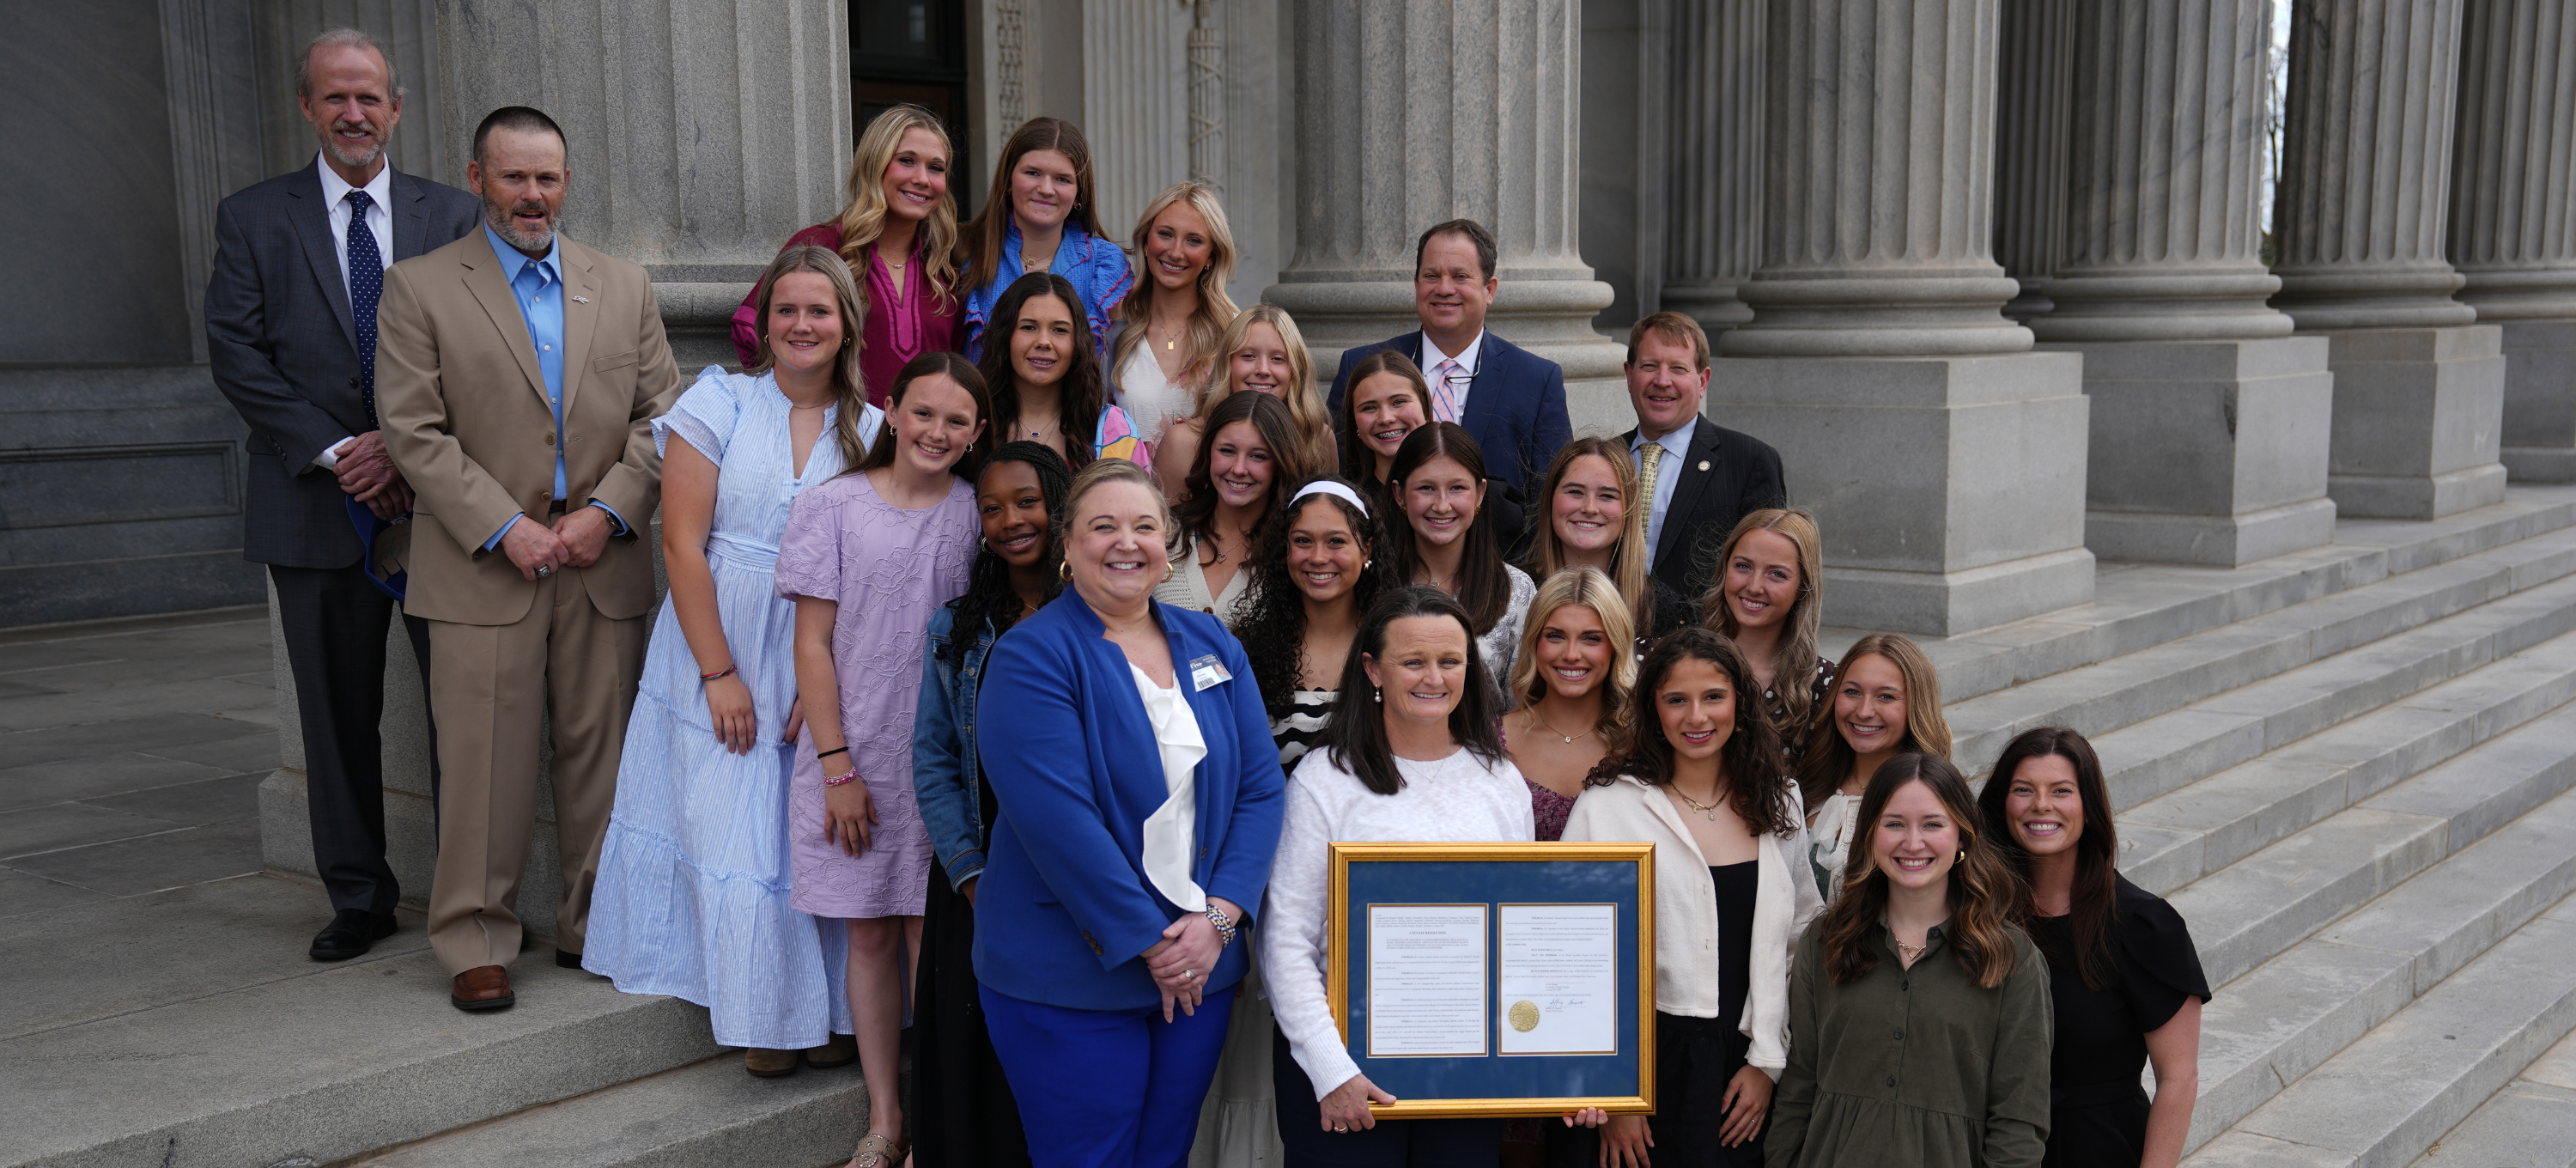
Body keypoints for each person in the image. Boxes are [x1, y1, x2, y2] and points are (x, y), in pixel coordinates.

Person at [376, 105, 684, 1010]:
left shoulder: (623, 286)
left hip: (602, 558)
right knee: (482, 763)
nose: (533, 195)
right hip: (482, 564)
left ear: (568, 181)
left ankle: (595, 921)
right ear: (478, 179)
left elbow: (664, 419)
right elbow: (413, 431)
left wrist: (607, 513)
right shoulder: (421, 287)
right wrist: (505, 525)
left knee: (603, 757)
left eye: (547, 177)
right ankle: (474, 936)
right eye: (514, 177)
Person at [204, 27, 481, 962]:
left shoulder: (450, 213)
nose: (354, 113)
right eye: (335, 97)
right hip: (314, 503)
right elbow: (237, 354)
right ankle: (360, 895)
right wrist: (338, 450)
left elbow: (483, 348)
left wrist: (406, 450)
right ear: (307, 108)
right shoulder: (252, 216)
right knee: (334, 711)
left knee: (463, 706)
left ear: (397, 108)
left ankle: (465, 891)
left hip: (440, 504)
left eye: (370, 97)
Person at [583, 246, 886, 1075]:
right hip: (717, 632)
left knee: (803, 840)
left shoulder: (871, 429)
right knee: (737, 829)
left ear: (846, 324)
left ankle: (823, 1012)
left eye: (819, 311)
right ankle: (760, 1018)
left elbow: (870, 561)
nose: (801, 325)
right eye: (786, 309)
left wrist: (828, 691)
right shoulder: (718, 398)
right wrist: (719, 674)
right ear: (765, 320)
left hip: (814, 647)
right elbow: (680, 543)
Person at [970, 459, 1286, 1168]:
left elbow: (1262, 792)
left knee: (1164, 1155)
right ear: (1067, 545)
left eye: (1145, 526)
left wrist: (1217, 924)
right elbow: (1060, 823)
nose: (1126, 542)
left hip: (1202, 967)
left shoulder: (1212, 643)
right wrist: (1156, 944)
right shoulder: (1031, 657)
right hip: (1069, 973)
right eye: (1102, 526)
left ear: (1167, 542)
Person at [776, 351, 989, 1168]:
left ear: (975, 435)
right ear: (890, 412)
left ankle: (934, 1125)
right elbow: (814, 644)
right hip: (853, 748)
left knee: (930, 939)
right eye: (924, 413)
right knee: (868, 935)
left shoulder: (976, 515)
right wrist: (837, 767)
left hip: (943, 759)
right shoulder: (830, 507)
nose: (937, 431)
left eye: (957, 420)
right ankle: (885, 1116)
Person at [1261, 586, 1535, 1167]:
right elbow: (1286, 941)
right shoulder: (1324, 779)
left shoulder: (1500, 781)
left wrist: (1564, 1065)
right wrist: (1331, 1069)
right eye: (1413, 661)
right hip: (1346, 1068)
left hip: (1466, 1066)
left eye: (1450, 661)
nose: (1433, 677)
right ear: (1373, 668)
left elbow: (1522, 938)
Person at [1561, 629, 1826, 1168]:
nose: (1696, 717)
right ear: (1653, 708)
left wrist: (1767, 1063)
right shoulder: (1607, 807)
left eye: (1714, 697)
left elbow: (1799, 942)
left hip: (1741, 1058)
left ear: (1741, 703)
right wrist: (1618, 1094)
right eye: (1676, 700)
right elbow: (1571, 956)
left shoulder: (1780, 803)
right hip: (1642, 1055)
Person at [911, 441, 1076, 1168]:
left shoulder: (1108, 617)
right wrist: (971, 874)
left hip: (1078, 879)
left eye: (1027, 501)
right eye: (991, 507)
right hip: (980, 874)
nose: (1010, 520)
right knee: (974, 1061)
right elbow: (935, 755)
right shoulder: (958, 628)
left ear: (1062, 507)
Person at [1765, 753, 2052, 1168]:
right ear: (1869, 834)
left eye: (1933, 824)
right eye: (1894, 823)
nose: (1913, 843)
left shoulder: (2011, 958)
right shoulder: (1826, 941)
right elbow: (1799, 1086)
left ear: (1962, 837)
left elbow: (2019, 1120)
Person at [1977, 727, 2208, 1168]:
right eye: (2023, 790)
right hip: (1994, 1146)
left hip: (2102, 1147)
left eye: (2061, 791)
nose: (2041, 805)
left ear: (2088, 805)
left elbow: (2179, 1078)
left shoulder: (2144, 925)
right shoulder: (1981, 916)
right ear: (2002, 803)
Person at [727, 104, 963, 403]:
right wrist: (804, 407)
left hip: (922, 443)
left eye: (936, 168)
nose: (923, 179)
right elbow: (751, 330)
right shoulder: (820, 246)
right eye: (906, 161)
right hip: (839, 438)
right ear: (874, 164)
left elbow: (957, 365)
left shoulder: (947, 266)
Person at [1325, 219, 1570, 495]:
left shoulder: (1537, 380)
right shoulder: (1359, 368)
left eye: (1460, 276)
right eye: (1431, 276)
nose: (1444, 288)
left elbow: (1550, 494)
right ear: (1416, 285)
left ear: (1489, 290)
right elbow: (1336, 474)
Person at [1618, 313, 1785, 602]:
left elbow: (1766, 573)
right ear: (1630, 376)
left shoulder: (1750, 462)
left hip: (1701, 642)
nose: (1662, 380)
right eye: (1649, 366)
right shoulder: (1602, 459)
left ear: (1702, 381)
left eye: (1678, 369)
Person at [1236, 480, 1395, 772]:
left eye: (1336, 541)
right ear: (1285, 549)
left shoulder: (1398, 645)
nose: (1318, 557)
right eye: (1303, 541)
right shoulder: (1246, 652)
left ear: (1367, 550)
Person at [960, 117, 1131, 359]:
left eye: (1062, 179)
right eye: (1033, 173)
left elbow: (1118, 371)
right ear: (1008, 181)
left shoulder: (1104, 266)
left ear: (1078, 192)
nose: (1046, 189)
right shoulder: (965, 252)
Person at [1796, 634, 1951, 902]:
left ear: (1916, 706)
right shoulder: (1807, 782)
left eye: (1886, 697)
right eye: (1852, 692)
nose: (1865, 711)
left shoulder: (1937, 800)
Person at [1387, 423, 1537, 692]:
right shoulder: (1373, 584)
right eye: (1426, 488)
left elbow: (1524, 707)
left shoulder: (1518, 590)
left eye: (1457, 488)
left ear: (1480, 493)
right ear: (1400, 495)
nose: (1442, 505)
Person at [1500, 567, 1635, 843]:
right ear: (1534, 642)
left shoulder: (1642, 744)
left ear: (1615, 646)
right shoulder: (1492, 741)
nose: (1572, 654)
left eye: (1591, 638)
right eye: (1555, 636)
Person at [1155, 392, 1313, 622]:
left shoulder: (1295, 549)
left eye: (1258, 456)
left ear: (1279, 464)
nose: (1239, 469)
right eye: (1227, 451)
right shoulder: (1165, 535)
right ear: (1208, 452)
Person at [975, 271, 1151, 473]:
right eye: (1029, 327)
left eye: (1059, 330)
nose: (1043, 342)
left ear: (1078, 344)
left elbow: (1137, 504)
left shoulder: (1114, 430)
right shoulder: (973, 424)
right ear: (1005, 336)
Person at [1156, 304, 1336, 500]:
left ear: (1295, 370)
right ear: (1227, 364)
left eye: (1278, 359)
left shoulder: (1318, 438)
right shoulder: (1183, 441)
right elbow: (1167, 527)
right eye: (1248, 356)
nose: (1263, 370)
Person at [1105, 181, 1238, 446]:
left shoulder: (1234, 331)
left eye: (1194, 241)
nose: (1176, 252)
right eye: (1165, 234)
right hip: (1128, 484)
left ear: (1211, 255)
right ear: (1145, 241)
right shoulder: (1115, 325)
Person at [1528, 436, 1688, 647]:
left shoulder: (1664, 610)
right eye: (1575, 492)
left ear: (1629, 510)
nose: (1590, 508)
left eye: (1607, 496)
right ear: (1550, 499)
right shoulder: (1514, 592)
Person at [1705, 509, 1832, 763]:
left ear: (1803, 587)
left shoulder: (1826, 686)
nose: (1754, 586)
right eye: (1743, 566)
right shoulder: (1671, 659)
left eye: (1777, 574)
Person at [1336, 350, 1431, 498]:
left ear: (1424, 408)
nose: (1386, 419)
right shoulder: (1346, 505)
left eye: (1399, 402)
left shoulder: (1462, 490)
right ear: (1354, 422)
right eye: (1369, 408)